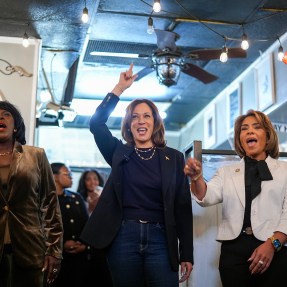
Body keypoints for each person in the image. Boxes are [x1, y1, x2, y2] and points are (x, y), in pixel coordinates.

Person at [80, 63, 194, 287]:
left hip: (161, 238)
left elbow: (182, 207)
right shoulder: (118, 152)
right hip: (124, 236)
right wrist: (119, 89)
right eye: (135, 117)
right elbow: (96, 123)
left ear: (155, 123)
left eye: (147, 116)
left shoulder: (174, 158)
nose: (141, 121)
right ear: (129, 125)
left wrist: (187, 253)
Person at [184, 109, 287, 287]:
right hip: (233, 254)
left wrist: (272, 245)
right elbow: (205, 196)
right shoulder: (226, 173)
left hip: (275, 251)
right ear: (240, 139)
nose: (249, 132)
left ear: (268, 136)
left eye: (256, 127)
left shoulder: (285, 170)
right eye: (244, 129)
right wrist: (196, 178)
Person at [0, 101, 63, 287]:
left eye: (6, 114)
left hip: (31, 247)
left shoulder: (35, 155)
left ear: (15, 126)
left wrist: (55, 250)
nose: (0, 117)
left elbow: (50, 203)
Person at [51, 162, 93, 287]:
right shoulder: (46, 200)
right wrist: (62, 244)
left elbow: (87, 225)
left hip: (80, 257)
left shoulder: (76, 197)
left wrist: (85, 245)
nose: (71, 177)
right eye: (67, 174)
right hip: (57, 259)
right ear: (54, 177)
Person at [77, 169, 113, 287]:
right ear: (83, 182)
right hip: (84, 237)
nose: (92, 182)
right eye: (88, 179)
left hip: (102, 239)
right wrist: (90, 208)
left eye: (95, 179)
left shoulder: (104, 194)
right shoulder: (79, 198)